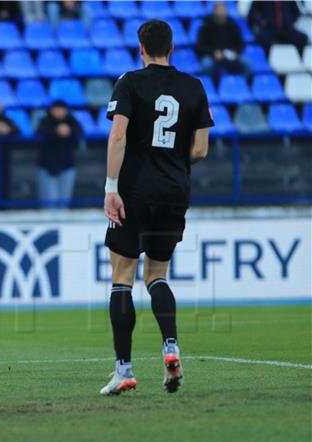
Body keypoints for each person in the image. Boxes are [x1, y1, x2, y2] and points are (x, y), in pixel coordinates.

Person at [101, 19, 213, 396]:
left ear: (141, 48)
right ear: (173, 49)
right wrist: (172, 164)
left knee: (122, 276)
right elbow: (200, 150)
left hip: (134, 192)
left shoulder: (129, 82)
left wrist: (111, 188)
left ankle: (124, 370)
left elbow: (118, 135)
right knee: (158, 275)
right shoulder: (194, 87)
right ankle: (171, 347)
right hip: (174, 192)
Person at [35, 100, 82, 208]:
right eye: (56, 109)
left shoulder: (71, 121)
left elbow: (80, 131)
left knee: (64, 200)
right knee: (48, 200)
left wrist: (69, 130)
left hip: (67, 164)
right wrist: (56, 130)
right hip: (47, 165)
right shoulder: (45, 121)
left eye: (61, 109)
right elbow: (39, 131)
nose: (59, 112)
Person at [196, 1, 249, 78]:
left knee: (247, 64)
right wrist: (213, 53)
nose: (221, 13)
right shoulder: (206, 26)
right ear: (214, 11)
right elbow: (200, 46)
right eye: (218, 10)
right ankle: (209, 86)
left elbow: (240, 44)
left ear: (226, 11)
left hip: (230, 57)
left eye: (223, 10)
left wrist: (236, 52)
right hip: (212, 57)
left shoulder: (233, 25)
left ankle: (243, 86)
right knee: (206, 64)